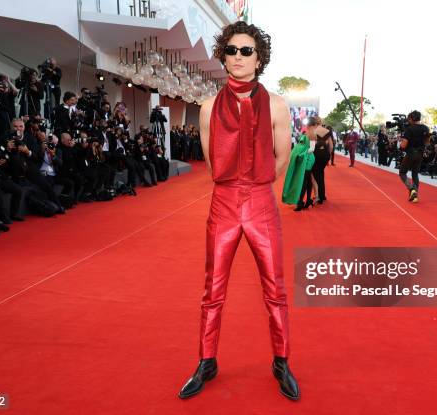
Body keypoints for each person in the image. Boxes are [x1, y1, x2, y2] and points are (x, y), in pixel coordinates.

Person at [178, 21, 299, 401]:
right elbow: (212, 163)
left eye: (246, 50)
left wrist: (257, 185)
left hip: (261, 201)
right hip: (224, 202)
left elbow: (283, 157)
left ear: (259, 57)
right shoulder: (209, 106)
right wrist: (235, 186)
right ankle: (206, 360)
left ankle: (281, 361)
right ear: (223, 56)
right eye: (232, 50)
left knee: (275, 289)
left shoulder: (277, 104)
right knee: (212, 290)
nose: (238, 57)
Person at [282, 123, 315, 211]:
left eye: (308, 125)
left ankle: (300, 202)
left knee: (304, 181)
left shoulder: (312, 134)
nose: (306, 127)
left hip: (307, 159)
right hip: (304, 159)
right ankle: (308, 200)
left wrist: (302, 154)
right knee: (307, 181)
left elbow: (312, 149)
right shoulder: (307, 133)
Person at [399, 110, 430, 203]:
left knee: (402, 173)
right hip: (420, 153)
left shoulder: (409, 129)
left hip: (411, 153)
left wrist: (400, 144)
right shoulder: (426, 128)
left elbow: (404, 145)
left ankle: (412, 189)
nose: (408, 120)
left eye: (409, 118)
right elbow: (427, 142)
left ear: (412, 118)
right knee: (415, 174)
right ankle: (414, 195)